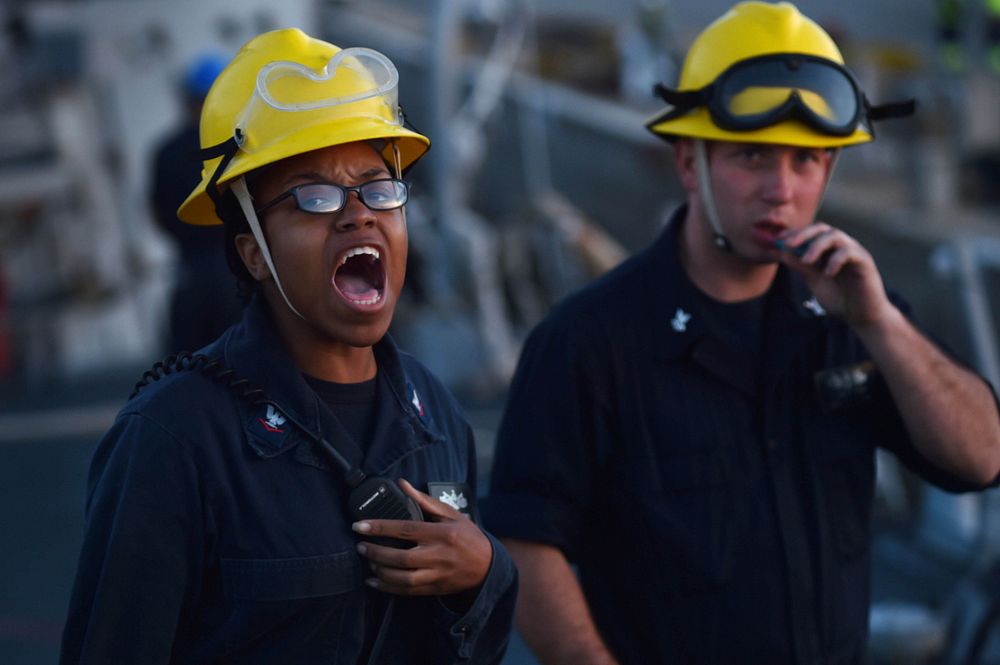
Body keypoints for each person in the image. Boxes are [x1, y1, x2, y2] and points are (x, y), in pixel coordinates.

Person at [481, 2, 1000, 664]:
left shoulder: (859, 322)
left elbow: (982, 457)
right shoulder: (588, 341)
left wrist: (882, 325)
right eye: (751, 156)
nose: (780, 190)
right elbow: (526, 540)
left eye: (806, 161)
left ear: (830, 171)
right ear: (689, 164)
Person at [61, 28, 516, 665]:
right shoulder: (171, 440)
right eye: (314, 194)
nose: (359, 214)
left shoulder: (437, 414)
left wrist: (486, 573)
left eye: (379, 187)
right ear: (252, 251)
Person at [150, 52, 244, 355]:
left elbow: (157, 213)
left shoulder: (167, 152)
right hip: (239, 273)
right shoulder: (241, 146)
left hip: (189, 275)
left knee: (191, 365)